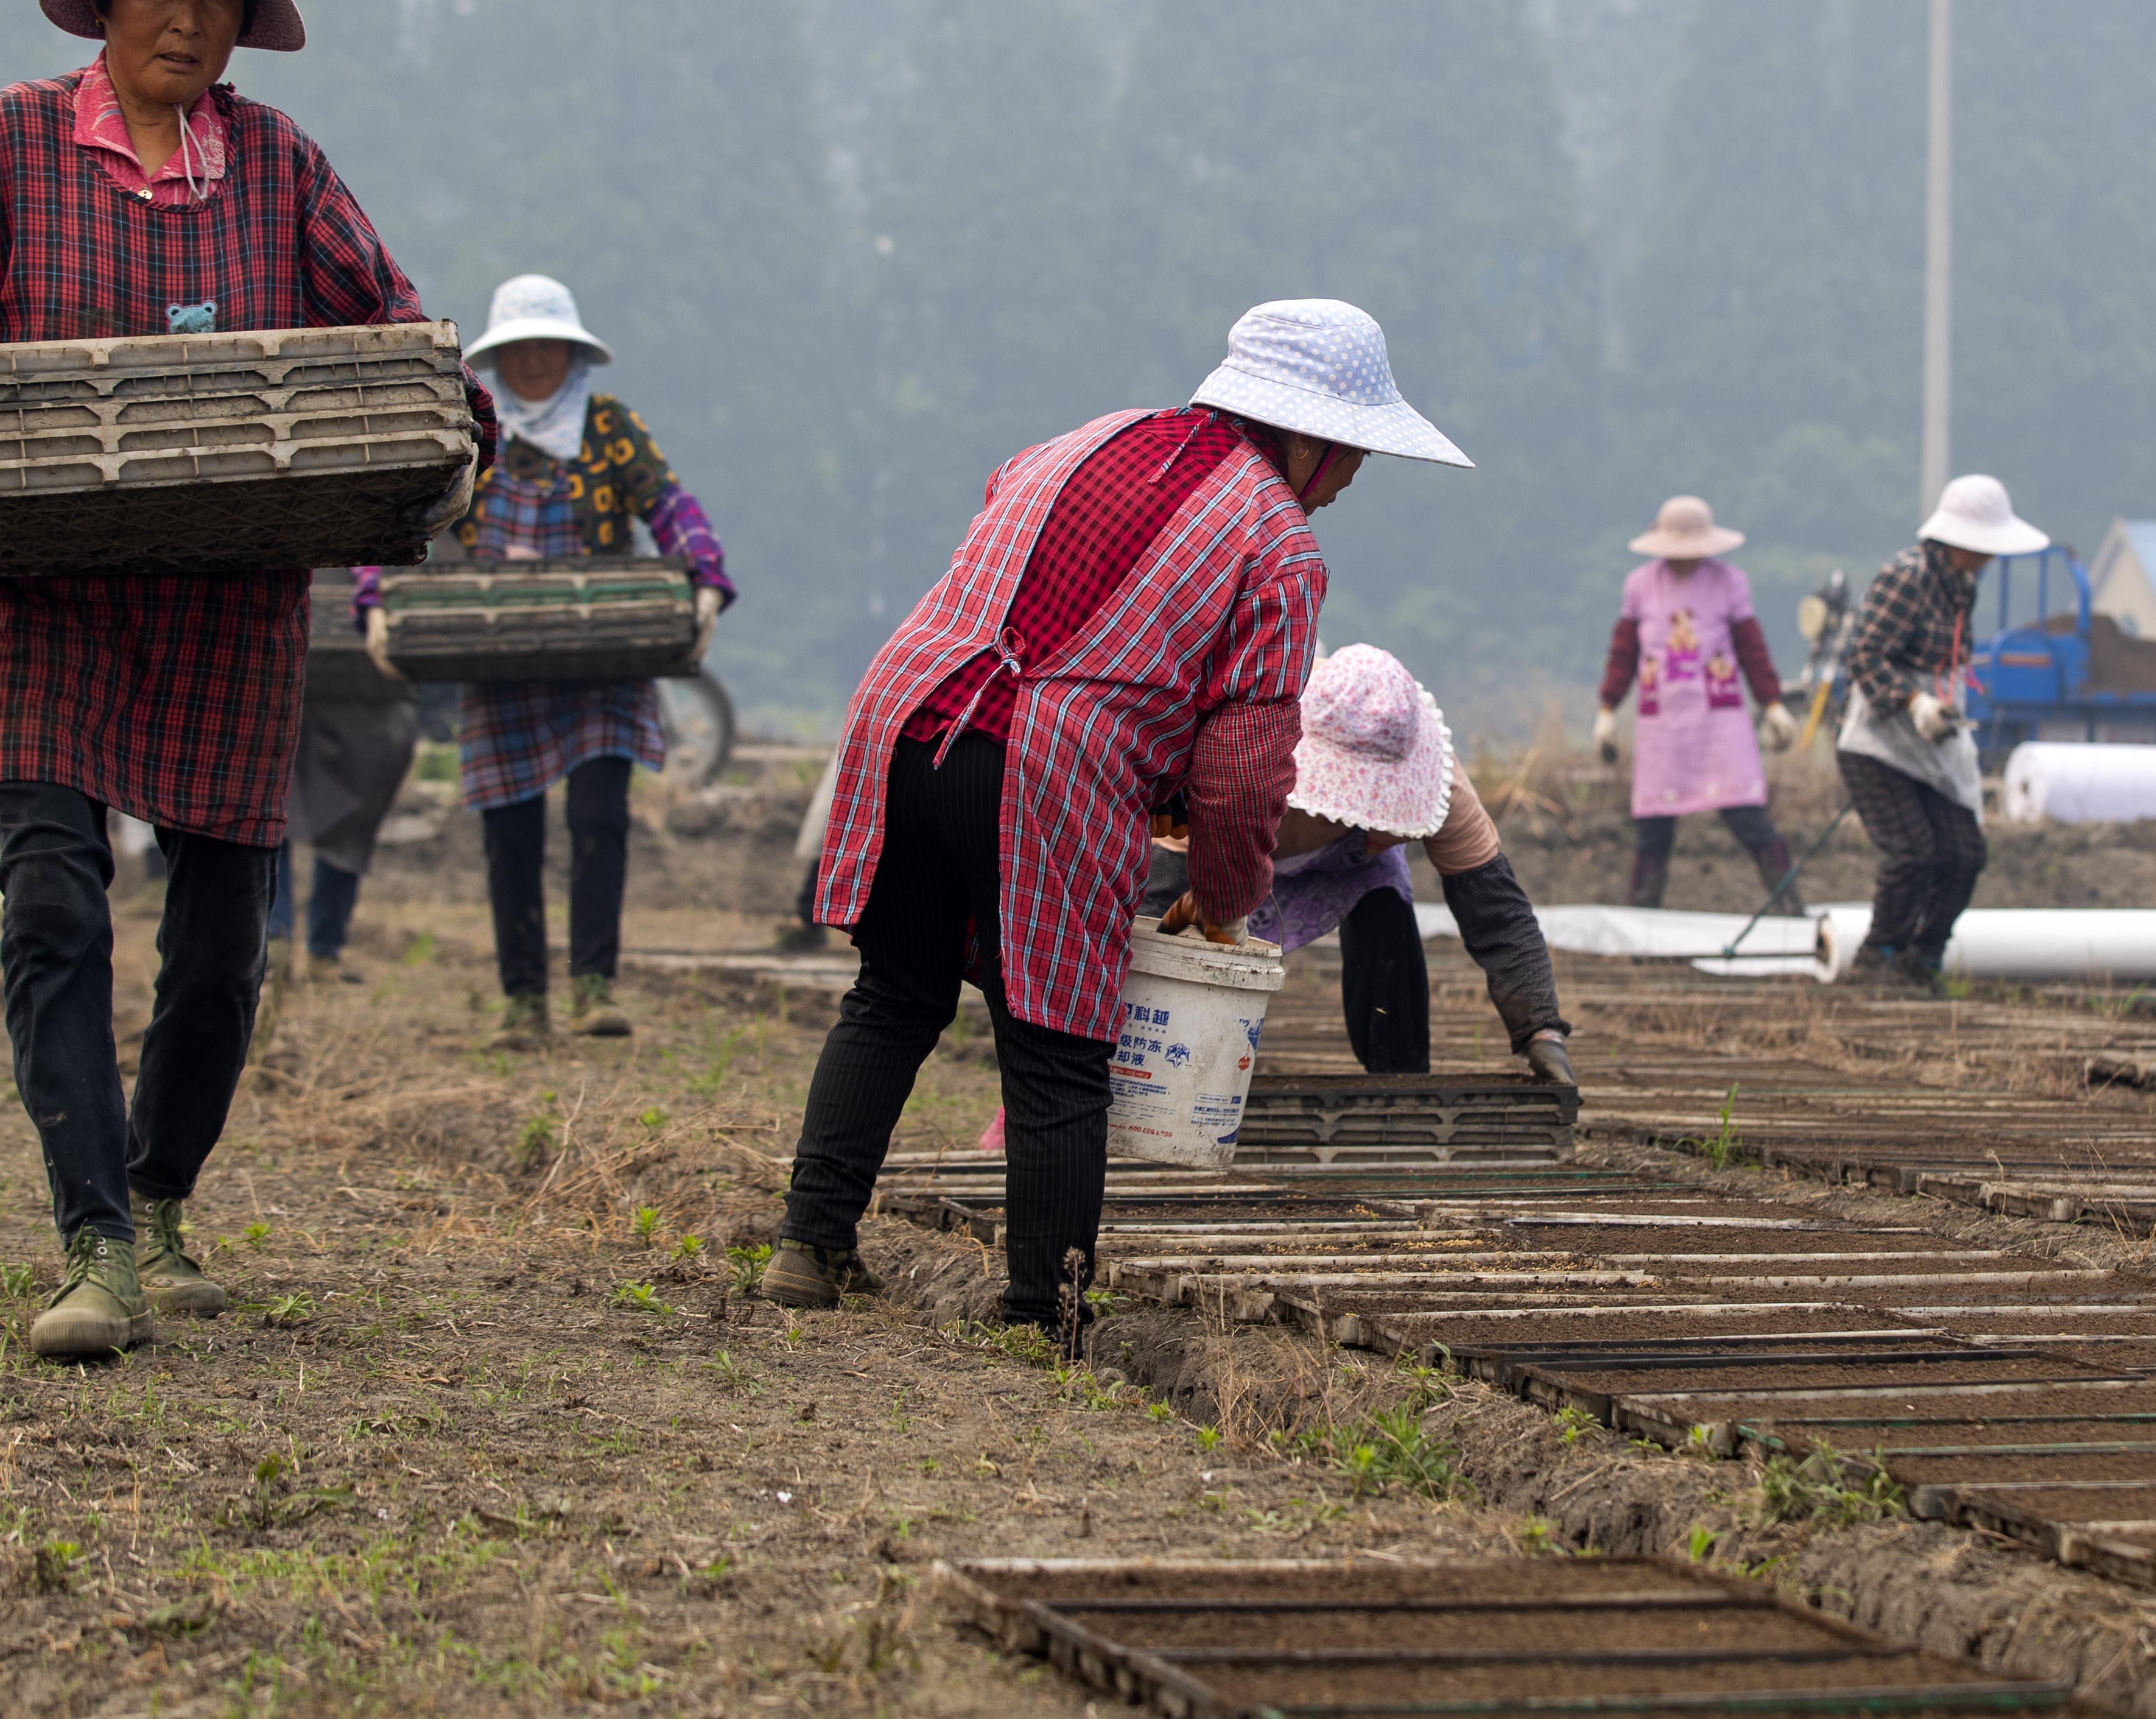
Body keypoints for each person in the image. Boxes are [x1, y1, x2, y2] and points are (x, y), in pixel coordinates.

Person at [0, 0, 490, 1362]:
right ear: (103, 3)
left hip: (229, 603)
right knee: (52, 895)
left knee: (227, 937)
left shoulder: (280, 168)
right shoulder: (1, 151)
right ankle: (93, 1236)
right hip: (46, 599)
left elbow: (396, 325)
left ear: (246, 22)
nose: (187, 18)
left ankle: (163, 1196)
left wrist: (463, 441)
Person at [771, 299, 1467, 1334]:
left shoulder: (1079, 438)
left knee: (894, 991)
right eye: (1355, 453)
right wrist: (1226, 893)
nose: (1353, 480)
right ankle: (1037, 1313)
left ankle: (809, 1243)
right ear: (1312, 439)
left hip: (908, 709)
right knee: (1056, 1045)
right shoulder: (1278, 546)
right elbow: (1243, 767)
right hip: (1040, 757)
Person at [361, 274, 731, 1042]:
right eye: (519, 348)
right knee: (510, 834)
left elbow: (669, 503)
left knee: (600, 820)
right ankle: (524, 1001)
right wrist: (375, 600)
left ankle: (595, 987)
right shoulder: (470, 431)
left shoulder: (610, 429)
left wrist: (703, 578)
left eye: (547, 347)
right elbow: (405, 510)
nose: (533, 361)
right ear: (499, 359)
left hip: (604, 658)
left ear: (570, 354)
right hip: (500, 658)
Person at [1141, 644, 1572, 1083]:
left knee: (1387, 902)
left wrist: (1541, 1029)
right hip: (1233, 852)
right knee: (1188, 953)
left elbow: (1496, 910)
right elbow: (1159, 892)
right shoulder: (1243, 746)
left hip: (1353, 863)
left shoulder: (1443, 786)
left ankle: (1399, 1077)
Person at [1836, 474, 2048, 988]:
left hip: (1930, 739)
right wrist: (1911, 701)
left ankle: (1922, 958)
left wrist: (1941, 706)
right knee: (1913, 851)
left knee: (1963, 854)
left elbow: (1950, 660)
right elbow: (1862, 655)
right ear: (1958, 540)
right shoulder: (1904, 577)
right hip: (1880, 742)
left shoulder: (1961, 587)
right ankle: (1877, 956)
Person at [1595, 496, 1800, 910]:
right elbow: (1624, 653)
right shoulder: (1640, 585)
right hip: (1662, 723)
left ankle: (1789, 908)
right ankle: (1643, 917)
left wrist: (1773, 703)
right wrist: (1607, 708)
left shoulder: (1729, 582)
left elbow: (1751, 649)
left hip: (1718, 720)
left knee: (1747, 815)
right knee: (1654, 826)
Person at [268, 569, 424, 980]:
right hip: (284, 679)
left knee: (350, 826)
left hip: (368, 699)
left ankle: (324, 949)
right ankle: (273, 940)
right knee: (269, 813)